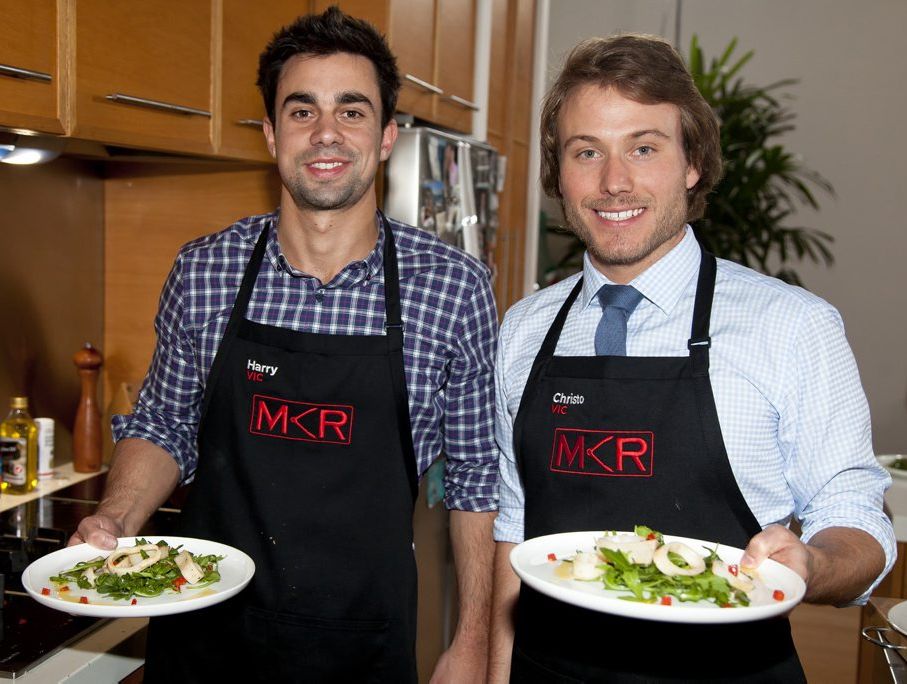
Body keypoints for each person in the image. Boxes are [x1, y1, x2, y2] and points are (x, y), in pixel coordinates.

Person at [71, 8, 498, 683]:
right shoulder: (204, 270)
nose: (325, 132)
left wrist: (474, 638)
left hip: (362, 641)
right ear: (271, 134)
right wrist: (113, 518)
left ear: (386, 136)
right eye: (301, 112)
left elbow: (478, 481)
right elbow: (163, 425)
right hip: (203, 635)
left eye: (351, 112)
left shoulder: (452, 288)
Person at [488, 34, 894, 683]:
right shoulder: (523, 330)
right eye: (585, 151)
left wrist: (812, 564)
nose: (612, 181)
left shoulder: (790, 326)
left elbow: (854, 518)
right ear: (557, 174)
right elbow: (513, 527)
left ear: (692, 164)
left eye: (643, 148)